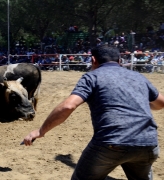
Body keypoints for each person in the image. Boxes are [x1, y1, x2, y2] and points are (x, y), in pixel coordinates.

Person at [23, 45, 164, 180]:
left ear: (93, 60)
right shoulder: (138, 77)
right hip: (148, 143)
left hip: (111, 142)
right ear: (119, 61)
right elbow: (160, 103)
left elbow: (68, 106)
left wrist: (41, 131)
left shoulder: (92, 77)